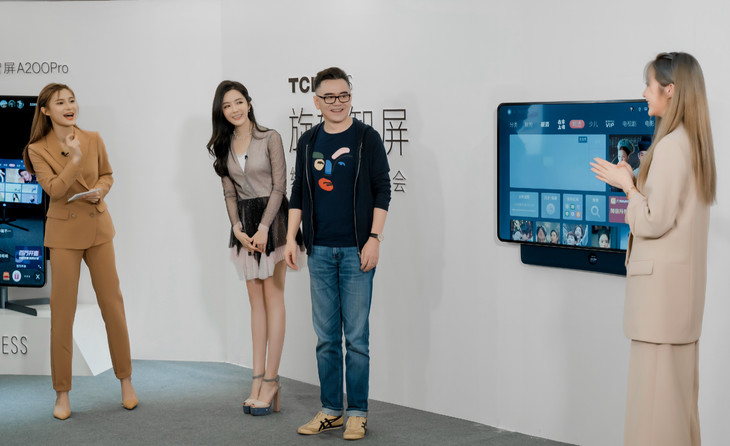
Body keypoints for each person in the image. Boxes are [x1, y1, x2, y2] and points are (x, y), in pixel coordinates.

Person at [590, 52, 716, 446]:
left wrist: (627, 185)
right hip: (678, 305)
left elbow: (652, 219)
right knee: (677, 412)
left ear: (670, 90)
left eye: (649, 85)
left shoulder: (672, 147)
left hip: (661, 307)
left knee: (654, 418)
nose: (644, 93)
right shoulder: (693, 144)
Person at [284, 67, 391, 441]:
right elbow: (299, 192)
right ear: (316, 102)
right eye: (329, 97)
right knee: (327, 338)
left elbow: (382, 190)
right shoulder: (308, 141)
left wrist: (374, 238)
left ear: (350, 97)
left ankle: (357, 413)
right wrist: (291, 238)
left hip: (356, 250)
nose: (337, 102)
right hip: (319, 251)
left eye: (343, 95)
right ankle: (331, 410)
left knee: (356, 339)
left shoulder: (366, 139)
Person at [23, 83, 137, 420]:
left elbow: (107, 175)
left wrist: (100, 190)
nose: (69, 107)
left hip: (98, 228)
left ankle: (126, 380)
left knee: (113, 306)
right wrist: (73, 159)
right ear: (46, 110)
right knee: (62, 314)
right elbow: (55, 190)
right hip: (63, 235)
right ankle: (62, 393)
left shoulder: (93, 138)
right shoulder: (37, 149)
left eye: (71, 100)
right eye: (60, 103)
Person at [206, 80, 302, 416]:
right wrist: (237, 227)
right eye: (226, 105)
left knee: (274, 297)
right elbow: (229, 193)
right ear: (221, 112)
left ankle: (271, 380)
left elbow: (280, 186)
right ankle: (257, 379)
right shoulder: (224, 145)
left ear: (248, 102)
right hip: (244, 225)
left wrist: (263, 228)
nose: (234, 109)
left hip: (272, 222)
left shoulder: (269, 137)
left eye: (238, 102)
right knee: (255, 302)